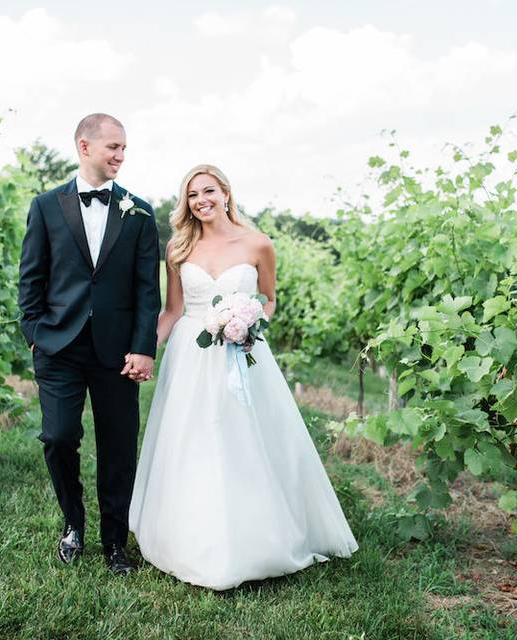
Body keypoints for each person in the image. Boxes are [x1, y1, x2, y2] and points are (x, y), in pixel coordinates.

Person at [129, 164, 357, 590]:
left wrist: (249, 324)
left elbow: (269, 299)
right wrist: (146, 350)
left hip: (243, 352)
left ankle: (260, 533)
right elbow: (174, 311)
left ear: (226, 193)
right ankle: (193, 538)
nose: (202, 200)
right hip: (191, 358)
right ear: (187, 203)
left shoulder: (257, 244)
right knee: (194, 440)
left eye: (209, 191)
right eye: (193, 195)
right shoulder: (178, 247)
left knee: (246, 441)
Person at [18, 113, 160, 574]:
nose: (120, 156)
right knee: (59, 437)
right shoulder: (45, 206)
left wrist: (143, 347)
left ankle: (115, 541)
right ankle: (72, 523)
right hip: (59, 345)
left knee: (118, 446)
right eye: (112, 147)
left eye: (124, 148)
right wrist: (35, 334)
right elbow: (31, 278)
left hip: (118, 352)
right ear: (84, 146)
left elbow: (146, 290)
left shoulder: (138, 212)